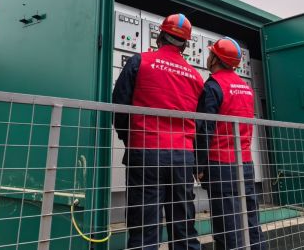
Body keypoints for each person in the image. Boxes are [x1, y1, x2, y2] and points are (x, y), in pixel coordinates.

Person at [113, 13, 203, 250]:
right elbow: (200, 122)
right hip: (183, 156)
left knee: (144, 228)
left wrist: (129, 138)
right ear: (185, 45)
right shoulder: (195, 76)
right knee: (183, 226)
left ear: (160, 36)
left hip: (145, 151)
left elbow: (119, 105)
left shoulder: (140, 61)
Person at [196, 37, 265, 250]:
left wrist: (199, 165)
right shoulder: (246, 88)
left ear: (216, 59)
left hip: (221, 164)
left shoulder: (213, 86)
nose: (208, 57)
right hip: (245, 163)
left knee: (227, 225)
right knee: (250, 219)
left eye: (211, 54)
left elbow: (204, 129)